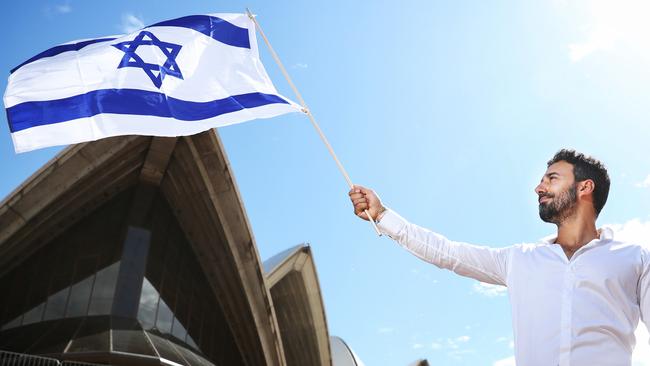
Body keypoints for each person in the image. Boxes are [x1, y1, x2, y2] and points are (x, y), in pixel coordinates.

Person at [349, 149, 649, 366]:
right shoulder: (519, 259)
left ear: (585, 187)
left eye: (552, 178)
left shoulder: (634, 259)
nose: (538, 187)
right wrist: (383, 216)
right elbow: (448, 253)